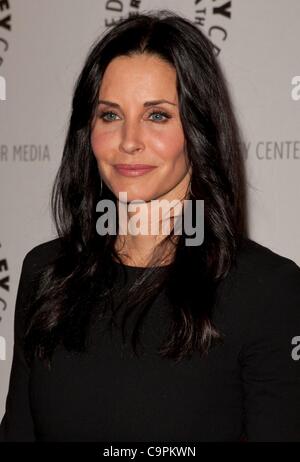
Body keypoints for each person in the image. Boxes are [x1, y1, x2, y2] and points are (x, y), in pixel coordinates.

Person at [1, 10, 300, 442]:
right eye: (110, 115)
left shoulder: (267, 291)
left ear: (199, 128)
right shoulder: (46, 274)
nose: (129, 141)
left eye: (157, 115)